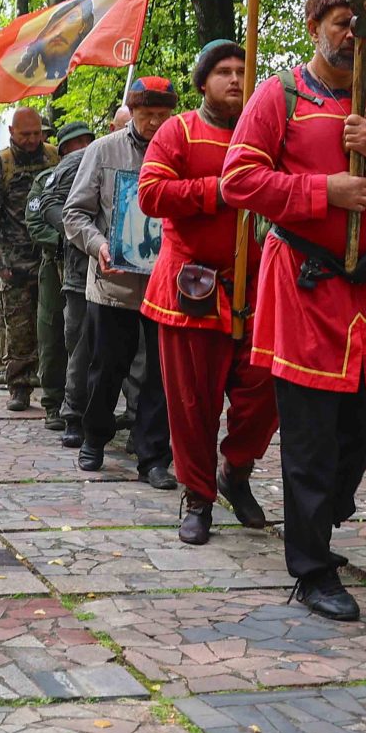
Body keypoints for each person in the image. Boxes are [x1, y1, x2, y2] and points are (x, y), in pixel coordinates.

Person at [222, 0, 366, 623]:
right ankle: (311, 568)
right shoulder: (279, 96)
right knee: (310, 436)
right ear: (314, 27)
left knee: (363, 428)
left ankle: (318, 519)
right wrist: (324, 192)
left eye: (360, 26)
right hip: (305, 289)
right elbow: (239, 180)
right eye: (341, 23)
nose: (351, 36)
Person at [140, 40, 274, 543]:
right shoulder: (179, 131)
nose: (235, 79)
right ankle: (197, 497)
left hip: (256, 286)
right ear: (203, 83)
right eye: (224, 72)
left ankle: (235, 471)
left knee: (265, 389)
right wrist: (218, 189)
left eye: (242, 70)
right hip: (191, 287)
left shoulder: (264, 135)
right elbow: (151, 194)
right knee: (192, 402)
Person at [65, 75, 179, 488]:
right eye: (148, 114)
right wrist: (99, 246)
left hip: (166, 286)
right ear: (131, 112)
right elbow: (75, 213)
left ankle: (153, 457)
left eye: (163, 115)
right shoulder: (103, 151)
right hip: (113, 284)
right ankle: (94, 438)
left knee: (161, 375)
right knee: (106, 368)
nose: (155, 123)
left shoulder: (181, 149)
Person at [0, 109, 55, 410]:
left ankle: (53, 387)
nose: (32, 140)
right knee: (18, 326)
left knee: (53, 327)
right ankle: (20, 386)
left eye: (37, 133)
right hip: (14, 261)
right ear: (12, 131)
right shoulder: (0, 164)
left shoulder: (54, 157)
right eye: (25, 134)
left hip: (50, 257)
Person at [44, 121, 100, 442]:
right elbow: (47, 205)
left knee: (136, 351)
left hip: (129, 271)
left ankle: (135, 421)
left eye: (86, 140)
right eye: (75, 143)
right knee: (78, 342)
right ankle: (73, 414)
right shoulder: (70, 166)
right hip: (80, 269)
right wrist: (76, 232)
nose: (82, 147)